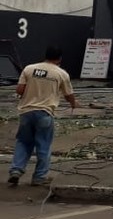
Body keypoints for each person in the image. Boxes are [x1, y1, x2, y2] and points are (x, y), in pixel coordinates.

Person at [8, 46, 77, 187]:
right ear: (60, 58)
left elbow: (19, 90)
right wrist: (73, 103)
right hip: (45, 113)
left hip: (26, 113)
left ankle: (16, 170)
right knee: (43, 145)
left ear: (45, 55)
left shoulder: (29, 69)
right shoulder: (61, 74)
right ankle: (39, 177)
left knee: (23, 142)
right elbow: (69, 95)